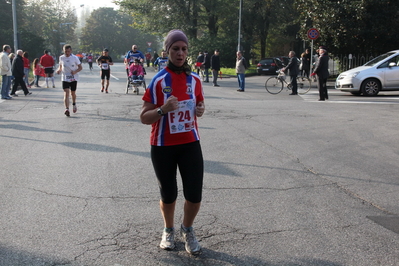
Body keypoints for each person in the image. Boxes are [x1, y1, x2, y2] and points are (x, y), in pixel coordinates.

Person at [140, 29, 205, 255]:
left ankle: (187, 229)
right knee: (169, 194)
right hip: (163, 146)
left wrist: (200, 109)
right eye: (175, 49)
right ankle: (168, 229)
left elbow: (200, 106)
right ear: (167, 51)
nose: (180, 53)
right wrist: (162, 109)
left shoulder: (195, 79)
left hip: (190, 143)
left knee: (194, 194)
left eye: (184, 49)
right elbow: (143, 117)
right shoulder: (158, 80)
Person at [56, 44, 82, 116]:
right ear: (63, 51)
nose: (67, 53)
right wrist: (58, 70)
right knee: (66, 93)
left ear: (71, 51)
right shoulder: (61, 58)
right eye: (65, 51)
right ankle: (67, 109)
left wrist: (75, 72)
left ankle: (74, 104)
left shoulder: (75, 58)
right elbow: (60, 66)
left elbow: (80, 67)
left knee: (72, 93)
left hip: (73, 78)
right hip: (65, 78)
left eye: (68, 51)